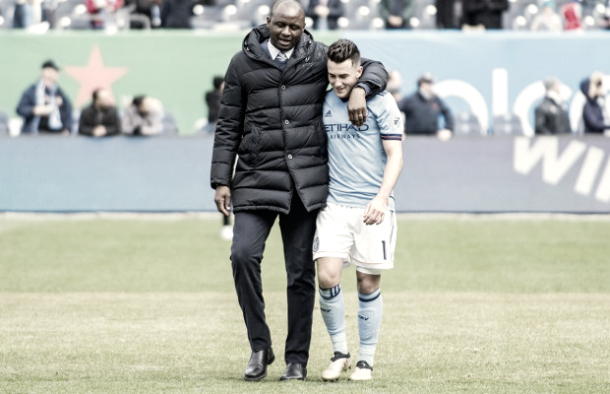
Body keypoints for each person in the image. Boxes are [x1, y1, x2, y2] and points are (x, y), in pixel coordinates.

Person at [210, 0, 388, 382]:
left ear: (305, 25)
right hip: (255, 179)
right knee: (242, 256)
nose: (288, 33)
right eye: (281, 25)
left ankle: (296, 359)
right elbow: (227, 125)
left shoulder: (318, 56)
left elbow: (371, 66)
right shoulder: (242, 64)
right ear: (268, 22)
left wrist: (362, 89)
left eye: (295, 26)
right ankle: (260, 346)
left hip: (303, 186)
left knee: (300, 274)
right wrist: (221, 179)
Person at [314, 39, 403, 382]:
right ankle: (340, 353)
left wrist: (381, 199)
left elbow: (395, 156)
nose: (337, 83)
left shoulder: (381, 101)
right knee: (327, 275)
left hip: (371, 205)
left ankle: (366, 359)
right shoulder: (323, 101)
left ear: (359, 71)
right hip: (334, 203)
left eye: (344, 77)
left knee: (367, 283)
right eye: (332, 76)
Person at [16, 60, 73, 135]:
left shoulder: (59, 92)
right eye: (51, 71)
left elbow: (68, 111)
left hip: (56, 133)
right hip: (36, 131)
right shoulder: (32, 91)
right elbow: (20, 109)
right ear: (43, 72)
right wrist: (35, 110)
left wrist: (67, 129)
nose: (53, 74)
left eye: (56, 72)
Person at [398, 73, 453, 139]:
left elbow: (447, 113)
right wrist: (399, 131)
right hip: (412, 138)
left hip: (432, 138)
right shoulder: (410, 99)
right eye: (427, 83)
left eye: (431, 83)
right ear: (421, 84)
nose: (429, 86)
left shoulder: (436, 100)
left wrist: (448, 129)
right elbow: (395, 111)